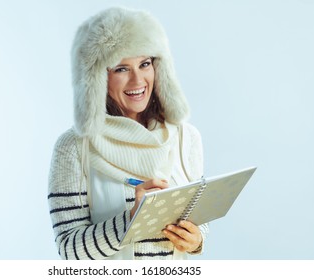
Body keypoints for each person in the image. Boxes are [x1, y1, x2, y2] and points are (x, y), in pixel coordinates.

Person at [48, 6, 209, 260]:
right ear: (97, 77)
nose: (138, 81)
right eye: (121, 69)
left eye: (145, 64)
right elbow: (69, 248)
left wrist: (196, 240)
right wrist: (132, 220)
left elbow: (200, 219)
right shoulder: (73, 147)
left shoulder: (186, 138)